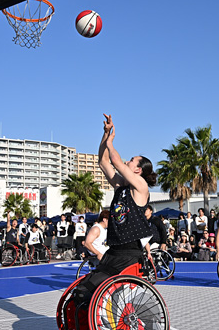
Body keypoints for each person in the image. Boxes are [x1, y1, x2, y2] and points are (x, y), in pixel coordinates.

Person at [65, 113, 157, 307]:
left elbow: (115, 160)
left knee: (104, 293)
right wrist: (105, 135)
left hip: (130, 252)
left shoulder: (140, 187)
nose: (127, 161)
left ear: (138, 170)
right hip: (113, 250)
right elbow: (103, 162)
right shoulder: (120, 187)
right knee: (83, 291)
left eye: (131, 160)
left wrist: (112, 142)